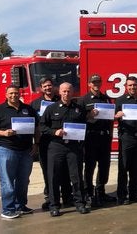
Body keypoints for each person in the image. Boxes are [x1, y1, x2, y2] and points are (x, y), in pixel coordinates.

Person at [0, 85, 39, 219]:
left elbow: (36, 128)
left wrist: (36, 144)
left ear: (19, 94)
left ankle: (20, 205)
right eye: (11, 93)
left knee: (23, 180)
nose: (13, 96)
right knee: (7, 181)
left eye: (16, 93)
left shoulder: (28, 109)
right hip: (5, 148)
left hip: (26, 150)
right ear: (6, 94)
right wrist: (3, 133)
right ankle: (7, 209)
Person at [39, 82, 90, 216]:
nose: (66, 94)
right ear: (60, 92)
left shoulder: (79, 109)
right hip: (56, 147)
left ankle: (80, 203)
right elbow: (42, 126)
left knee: (77, 176)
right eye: (64, 91)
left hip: (73, 147)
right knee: (54, 176)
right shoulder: (51, 108)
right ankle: (54, 205)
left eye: (69, 91)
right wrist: (54, 132)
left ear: (72, 92)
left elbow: (85, 125)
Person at [30, 77, 70, 211]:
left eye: (49, 85)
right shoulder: (35, 104)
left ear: (54, 87)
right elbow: (34, 124)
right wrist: (35, 142)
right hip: (44, 142)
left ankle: (67, 196)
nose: (48, 88)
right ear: (41, 88)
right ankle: (50, 198)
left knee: (64, 171)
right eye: (45, 86)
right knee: (48, 172)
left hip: (60, 142)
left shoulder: (60, 101)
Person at [77, 74, 115, 208]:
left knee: (104, 166)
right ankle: (89, 193)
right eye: (94, 82)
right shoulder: (83, 100)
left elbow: (110, 118)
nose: (96, 84)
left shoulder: (107, 99)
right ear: (89, 84)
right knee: (90, 167)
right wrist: (89, 115)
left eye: (98, 82)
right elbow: (78, 119)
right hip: (91, 138)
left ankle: (101, 191)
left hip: (104, 137)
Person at [114, 76, 137, 205]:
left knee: (136, 168)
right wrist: (117, 116)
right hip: (126, 138)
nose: (132, 87)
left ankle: (134, 194)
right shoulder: (120, 101)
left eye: (134, 85)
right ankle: (121, 196)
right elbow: (113, 118)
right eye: (130, 85)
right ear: (126, 87)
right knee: (123, 168)